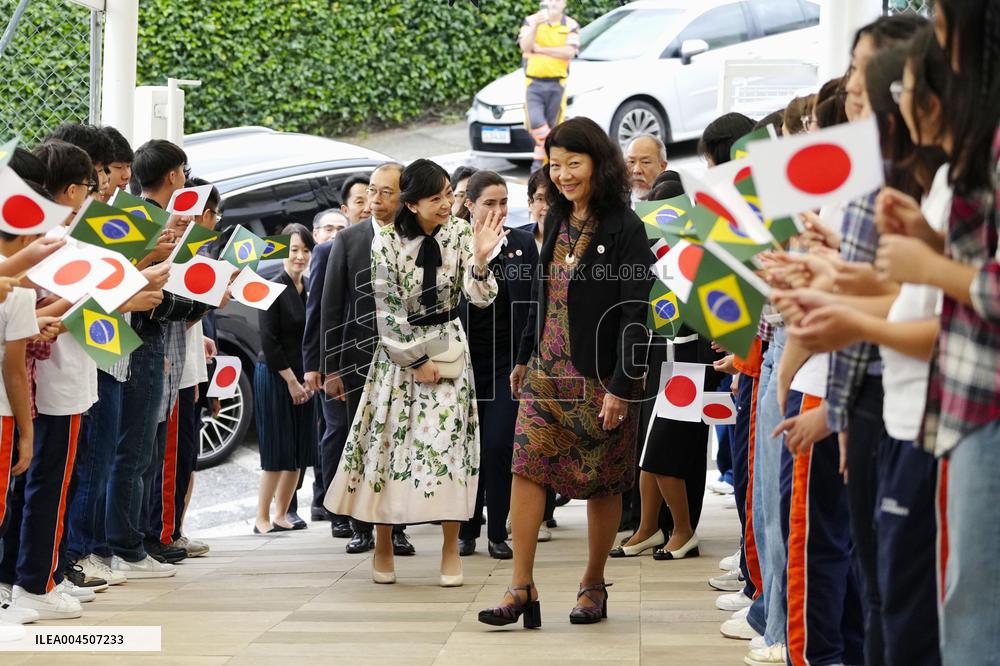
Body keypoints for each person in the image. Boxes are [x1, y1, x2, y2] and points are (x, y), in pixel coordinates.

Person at [479, 117, 653, 628]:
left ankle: (593, 585)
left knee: (603, 480)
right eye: (555, 166)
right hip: (545, 372)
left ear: (598, 163)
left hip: (600, 376)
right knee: (526, 466)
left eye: (573, 164)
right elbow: (542, 294)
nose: (563, 175)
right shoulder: (554, 218)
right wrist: (522, 355)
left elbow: (635, 312)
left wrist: (624, 384)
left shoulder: (625, 227)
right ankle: (521, 586)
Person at [869, 2, 1000, 661]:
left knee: (965, 614)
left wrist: (932, 263)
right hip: (957, 410)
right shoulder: (967, 164)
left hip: (978, 410)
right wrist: (932, 242)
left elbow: (963, 287)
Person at [325, 158, 504, 587]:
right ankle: (383, 544)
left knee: (448, 452)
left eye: (448, 194)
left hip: (448, 349)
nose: (447, 204)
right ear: (411, 204)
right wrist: (414, 360)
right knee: (391, 451)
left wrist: (479, 262)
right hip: (397, 358)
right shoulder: (384, 241)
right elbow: (385, 309)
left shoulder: (461, 233)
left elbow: (479, 299)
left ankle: (449, 551)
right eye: (436, 197)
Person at [320, 163, 416, 556]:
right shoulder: (349, 241)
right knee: (360, 444)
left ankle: (396, 528)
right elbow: (330, 308)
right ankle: (361, 526)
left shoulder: (418, 239)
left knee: (400, 444)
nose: (375, 201)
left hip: (406, 360)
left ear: (404, 197)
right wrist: (331, 369)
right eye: (372, 192)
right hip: (358, 361)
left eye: (385, 193)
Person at [458, 171, 538, 560]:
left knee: (498, 445)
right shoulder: (454, 244)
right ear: (469, 204)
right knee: (468, 447)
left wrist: (527, 359)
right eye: (489, 203)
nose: (498, 210)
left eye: (504, 202)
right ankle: (466, 526)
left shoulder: (522, 243)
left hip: (509, 361)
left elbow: (536, 306)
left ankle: (496, 529)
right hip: (464, 362)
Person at [253, 224, 318, 534]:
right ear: (282, 251)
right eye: (293, 249)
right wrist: (292, 382)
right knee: (276, 451)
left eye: (305, 250)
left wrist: (308, 380)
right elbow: (269, 340)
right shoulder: (271, 286)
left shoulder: (308, 288)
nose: (300, 256)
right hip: (276, 376)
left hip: (305, 379)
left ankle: (282, 513)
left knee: (298, 451)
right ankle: (261, 518)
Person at [519, 0, 580, 171]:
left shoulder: (571, 24)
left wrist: (541, 49)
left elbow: (569, 52)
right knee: (537, 124)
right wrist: (535, 27)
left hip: (557, 85)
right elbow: (525, 46)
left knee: (554, 128)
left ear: (565, 4)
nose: (553, 2)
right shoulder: (531, 21)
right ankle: (552, 158)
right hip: (534, 84)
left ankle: (540, 166)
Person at [624, 134, 668, 202]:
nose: (636, 170)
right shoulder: (616, 201)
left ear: (662, 166)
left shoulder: (672, 201)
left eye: (645, 162)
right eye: (631, 162)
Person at [526, 168, 549, 252]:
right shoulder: (515, 238)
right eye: (540, 199)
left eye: (553, 200)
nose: (546, 207)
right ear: (530, 203)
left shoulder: (577, 241)